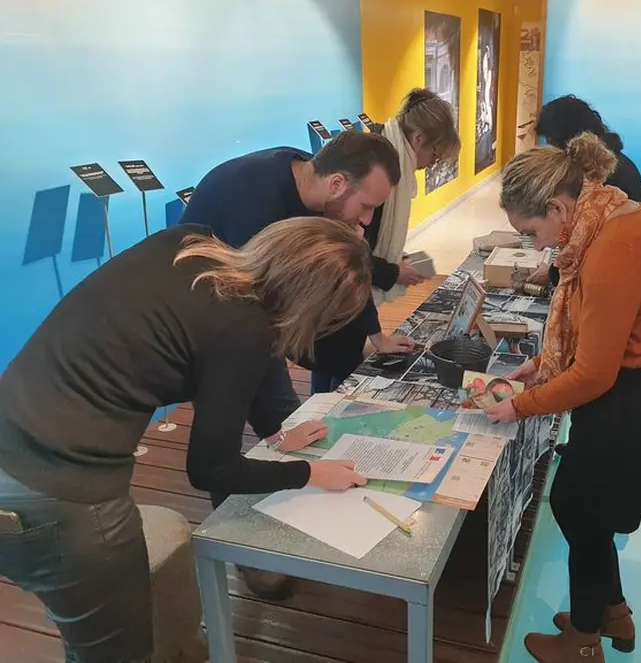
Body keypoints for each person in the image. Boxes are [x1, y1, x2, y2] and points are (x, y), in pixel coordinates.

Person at [0, 217, 372, 663]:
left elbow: (225, 355)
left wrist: (275, 434)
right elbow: (211, 471)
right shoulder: (244, 329)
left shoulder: (187, 245)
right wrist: (310, 472)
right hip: (60, 494)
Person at [484, 134, 641, 662]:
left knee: (581, 510)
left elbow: (595, 374)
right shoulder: (612, 218)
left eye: (532, 232)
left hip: (637, 407)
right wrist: (543, 363)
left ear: (557, 207)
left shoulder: (612, 249)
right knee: (582, 511)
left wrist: (519, 405)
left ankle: (582, 641)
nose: (538, 247)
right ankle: (610, 613)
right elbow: (598, 330)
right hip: (640, 396)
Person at [180, 130, 412, 597]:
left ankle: (293, 514)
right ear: (339, 184)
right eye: (366, 207)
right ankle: (242, 546)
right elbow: (276, 327)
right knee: (230, 433)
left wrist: (372, 335)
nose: (367, 220)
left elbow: (342, 276)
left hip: (243, 321)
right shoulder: (255, 204)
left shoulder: (314, 183)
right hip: (206, 325)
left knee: (288, 421)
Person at [310, 88, 460, 393]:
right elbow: (350, 255)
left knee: (331, 365)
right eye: (434, 155)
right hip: (337, 297)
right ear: (418, 138)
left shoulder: (384, 159)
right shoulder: (382, 173)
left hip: (345, 297)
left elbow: (365, 245)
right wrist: (392, 271)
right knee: (335, 366)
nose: (431, 165)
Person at [532, 95, 641, 290]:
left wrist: (553, 273)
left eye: (552, 143)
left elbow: (589, 243)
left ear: (568, 141)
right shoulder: (614, 165)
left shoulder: (604, 179)